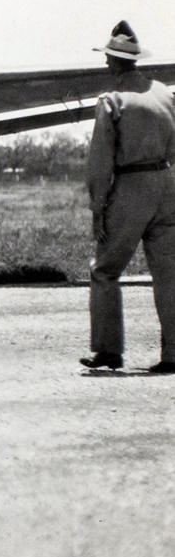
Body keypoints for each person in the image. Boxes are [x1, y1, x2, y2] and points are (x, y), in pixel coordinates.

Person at [83, 22, 175, 374]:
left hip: (132, 186)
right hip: (166, 184)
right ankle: (173, 355)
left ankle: (108, 351)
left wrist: (98, 207)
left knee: (104, 270)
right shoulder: (163, 93)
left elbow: (100, 160)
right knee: (169, 273)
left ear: (112, 61)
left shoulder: (112, 100)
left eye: (107, 58)